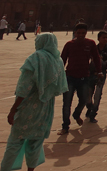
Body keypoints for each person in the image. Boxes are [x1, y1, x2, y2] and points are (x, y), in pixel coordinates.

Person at [1, 33, 68, 171]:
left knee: (15, 141)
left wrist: (13, 109)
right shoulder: (57, 60)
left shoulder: (36, 58)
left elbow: (24, 87)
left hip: (29, 106)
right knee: (36, 142)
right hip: (46, 108)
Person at [57, 23, 101, 135]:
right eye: (78, 33)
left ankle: (76, 114)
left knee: (84, 100)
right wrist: (58, 74)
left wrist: (99, 71)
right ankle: (65, 126)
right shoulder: (69, 44)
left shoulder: (90, 44)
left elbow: (96, 58)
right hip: (70, 77)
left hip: (84, 77)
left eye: (83, 33)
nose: (80, 35)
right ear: (75, 33)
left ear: (86, 33)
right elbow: (62, 60)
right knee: (66, 103)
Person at [83, 30, 107, 124]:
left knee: (97, 95)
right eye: (103, 37)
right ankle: (90, 107)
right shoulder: (93, 49)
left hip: (101, 75)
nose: (105, 39)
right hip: (91, 73)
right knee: (88, 95)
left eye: (106, 38)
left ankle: (93, 113)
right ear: (98, 38)